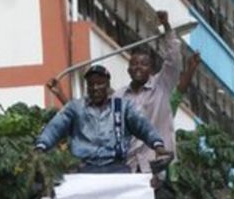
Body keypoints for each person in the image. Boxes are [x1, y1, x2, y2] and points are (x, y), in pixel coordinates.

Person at [35, 64, 169, 173]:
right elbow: (55, 127)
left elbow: (143, 126)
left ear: (107, 85)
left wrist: (157, 145)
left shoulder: (123, 106)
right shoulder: (75, 107)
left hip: (116, 168)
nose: (95, 88)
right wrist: (41, 147)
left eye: (100, 84)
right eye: (91, 84)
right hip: (84, 169)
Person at [116, 10, 182, 173]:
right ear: (128, 69)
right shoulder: (119, 96)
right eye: (134, 64)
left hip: (156, 166)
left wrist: (166, 26)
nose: (138, 67)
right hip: (128, 166)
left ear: (151, 68)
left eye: (144, 63)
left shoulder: (162, 86)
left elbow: (173, 60)